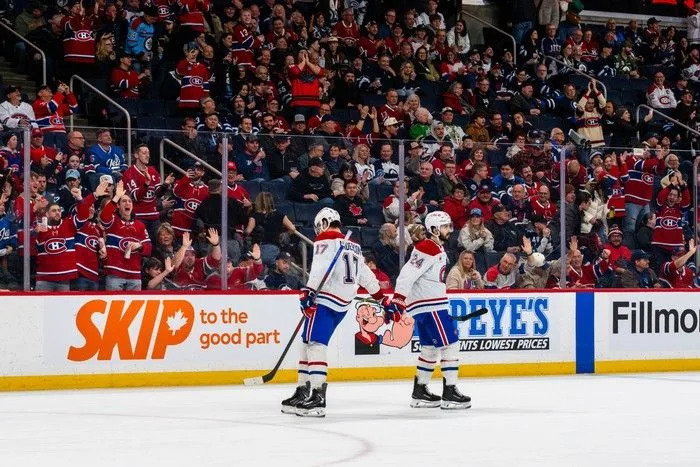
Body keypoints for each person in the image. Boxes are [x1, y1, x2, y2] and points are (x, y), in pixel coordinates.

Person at [282, 208, 385, 417]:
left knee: (314, 344)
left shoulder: (326, 239)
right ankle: (303, 390)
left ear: (324, 222)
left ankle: (318, 395)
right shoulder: (354, 246)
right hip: (343, 304)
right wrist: (380, 297)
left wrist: (309, 292)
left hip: (325, 300)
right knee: (306, 341)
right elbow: (365, 275)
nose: (318, 230)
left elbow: (320, 267)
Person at [385, 211, 471, 409]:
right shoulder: (427, 247)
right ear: (433, 229)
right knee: (450, 344)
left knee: (430, 348)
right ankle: (450, 392)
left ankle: (420, 391)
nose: (449, 230)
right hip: (431, 305)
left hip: (426, 305)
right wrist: (398, 299)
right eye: (444, 226)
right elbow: (406, 275)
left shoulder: (436, 248)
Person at [100, 180, 152, 290]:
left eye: (129, 201)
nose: (127, 203)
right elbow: (104, 216)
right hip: (115, 274)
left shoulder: (140, 225)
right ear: (118, 206)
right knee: (114, 306)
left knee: (134, 307)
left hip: (134, 276)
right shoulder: (113, 221)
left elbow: (148, 248)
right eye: (123, 201)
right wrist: (116, 197)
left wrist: (140, 246)